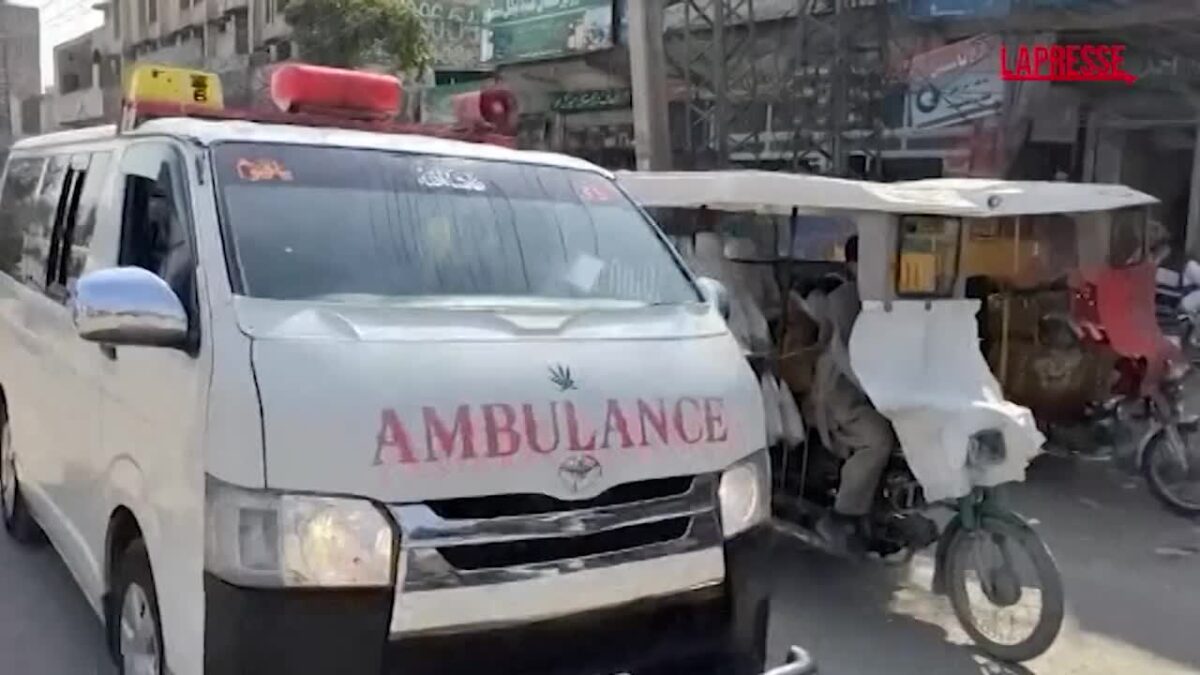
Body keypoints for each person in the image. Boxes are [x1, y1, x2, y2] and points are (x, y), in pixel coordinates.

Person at [807, 235, 898, 554]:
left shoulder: (890, 298)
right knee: (878, 441)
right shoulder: (843, 299)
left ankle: (885, 512)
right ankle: (841, 515)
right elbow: (844, 356)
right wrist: (875, 390)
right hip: (843, 390)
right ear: (852, 264)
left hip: (879, 385)